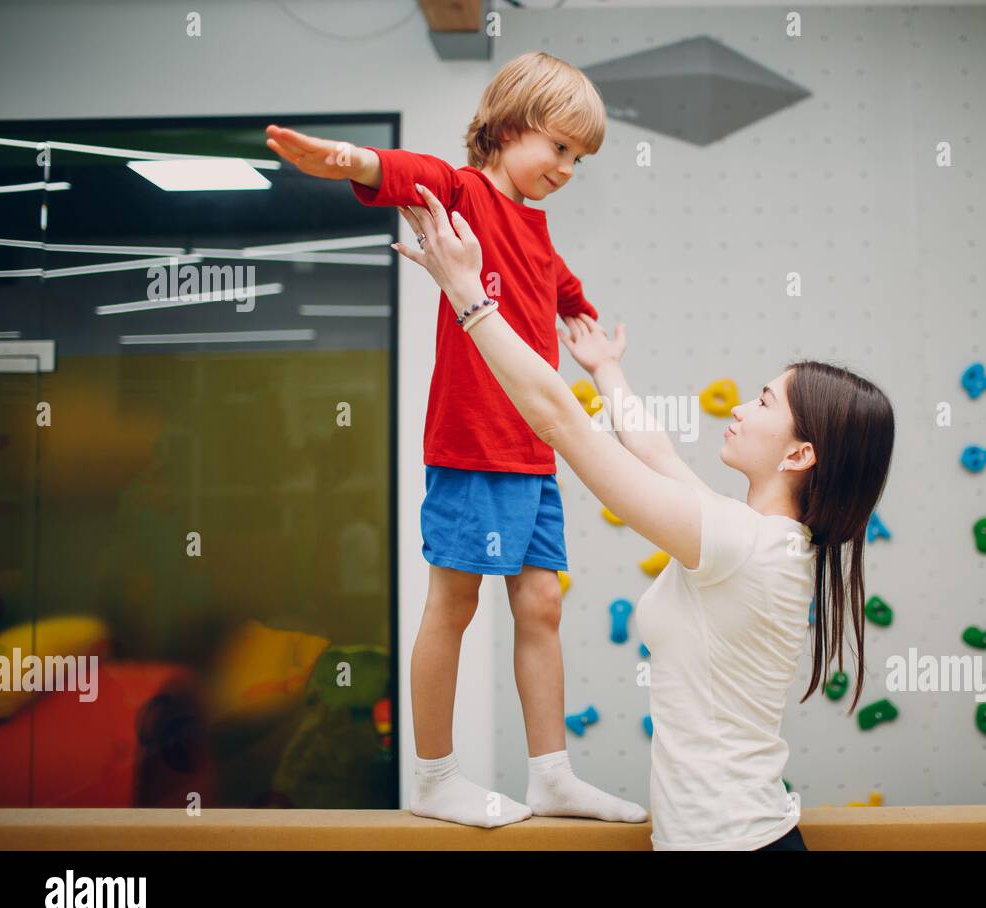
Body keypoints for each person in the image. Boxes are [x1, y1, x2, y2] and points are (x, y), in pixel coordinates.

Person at [393, 185, 897, 850]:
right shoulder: (752, 537)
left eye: (765, 402)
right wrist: (607, 371)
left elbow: (558, 422)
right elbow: (651, 448)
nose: (741, 409)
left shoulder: (740, 544)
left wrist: (470, 298)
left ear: (800, 452)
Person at [265, 51, 648, 829]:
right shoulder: (465, 194)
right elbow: (411, 176)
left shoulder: (537, 231)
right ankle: (436, 775)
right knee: (456, 602)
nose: (569, 168)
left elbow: (560, 287)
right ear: (508, 129)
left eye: (581, 157)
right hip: (472, 444)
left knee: (541, 604)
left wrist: (589, 332)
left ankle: (551, 774)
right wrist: (353, 160)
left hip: (534, 449)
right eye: (561, 148)